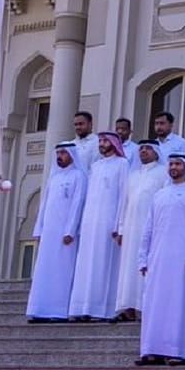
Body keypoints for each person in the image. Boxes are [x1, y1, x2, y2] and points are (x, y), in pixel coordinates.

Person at [137, 147, 185, 365]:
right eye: (171, 164)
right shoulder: (160, 194)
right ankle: (151, 350)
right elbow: (148, 229)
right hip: (157, 258)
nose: (174, 168)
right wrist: (143, 257)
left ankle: (178, 352)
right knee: (154, 303)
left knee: (179, 304)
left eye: (178, 164)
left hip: (183, 259)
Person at [68, 132, 130, 322]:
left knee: (104, 264)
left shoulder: (122, 164)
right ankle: (82, 308)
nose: (101, 144)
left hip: (108, 223)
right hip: (90, 222)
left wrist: (119, 224)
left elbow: (124, 196)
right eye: (100, 141)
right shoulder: (95, 166)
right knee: (86, 265)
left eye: (105, 141)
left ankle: (103, 310)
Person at [26, 143, 86, 322]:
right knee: (44, 271)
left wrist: (70, 230)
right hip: (48, 233)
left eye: (64, 153)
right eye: (58, 153)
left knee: (62, 271)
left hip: (65, 235)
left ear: (72, 155)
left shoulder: (78, 176)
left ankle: (58, 311)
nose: (60, 156)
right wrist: (39, 229)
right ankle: (39, 310)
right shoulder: (54, 177)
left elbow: (77, 204)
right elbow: (44, 205)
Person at [114, 139, 169, 321]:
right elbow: (124, 203)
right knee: (128, 268)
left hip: (152, 228)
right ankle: (128, 307)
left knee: (148, 266)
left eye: (148, 148)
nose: (144, 151)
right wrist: (121, 228)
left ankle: (146, 308)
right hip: (130, 229)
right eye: (141, 148)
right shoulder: (133, 175)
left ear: (156, 152)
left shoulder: (163, 172)